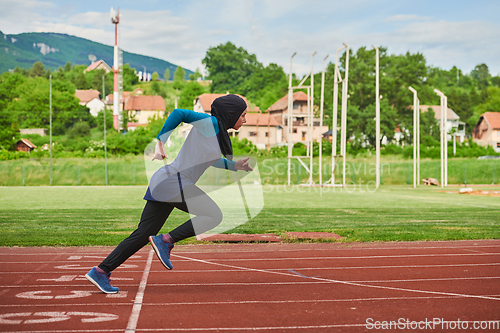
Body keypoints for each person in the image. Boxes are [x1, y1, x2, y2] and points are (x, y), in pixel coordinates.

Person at [86, 94, 253, 293]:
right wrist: (161, 141)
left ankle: (101, 271)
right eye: (243, 115)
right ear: (231, 113)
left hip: (167, 182)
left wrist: (235, 166)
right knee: (213, 215)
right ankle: (165, 241)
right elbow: (179, 113)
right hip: (175, 181)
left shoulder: (217, 134)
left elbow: (210, 159)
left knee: (142, 235)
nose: (245, 120)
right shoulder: (210, 123)